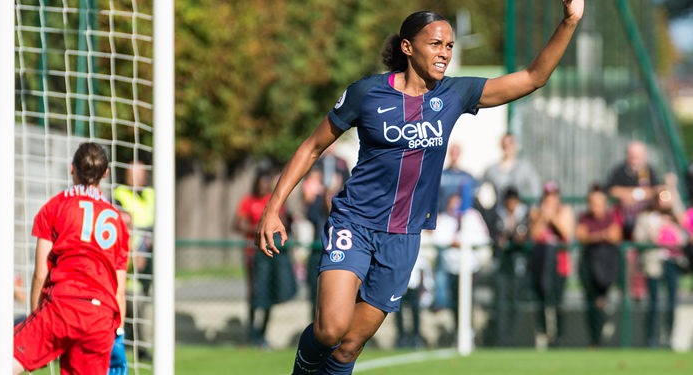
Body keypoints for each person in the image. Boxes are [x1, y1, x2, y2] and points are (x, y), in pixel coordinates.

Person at [254, 3, 584, 373]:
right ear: (408, 47)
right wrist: (273, 207)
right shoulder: (367, 94)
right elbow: (312, 146)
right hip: (355, 222)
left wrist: (569, 21)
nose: (444, 52)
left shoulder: (455, 95)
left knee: (349, 346)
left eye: (449, 46)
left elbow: (532, 78)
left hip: (404, 234)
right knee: (331, 329)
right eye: (436, 44)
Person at [0, 143, 130, 374]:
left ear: (72, 168)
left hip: (62, 307)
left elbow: (41, 273)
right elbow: (119, 290)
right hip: (100, 318)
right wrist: (117, 333)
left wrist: (35, 315)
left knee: (1, 364)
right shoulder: (119, 222)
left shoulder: (55, 207)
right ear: (106, 173)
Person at [234, 170, 298, 348]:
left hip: (272, 253)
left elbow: (284, 223)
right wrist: (259, 228)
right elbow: (237, 224)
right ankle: (251, 334)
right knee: (256, 293)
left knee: (270, 292)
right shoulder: (248, 201)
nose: (263, 187)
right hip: (253, 254)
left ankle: (262, 334)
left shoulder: (274, 202)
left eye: (266, 183)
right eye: (261, 183)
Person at [606, 141, 664, 301]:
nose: (634, 159)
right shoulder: (620, 171)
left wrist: (637, 194)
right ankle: (625, 290)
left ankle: (642, 291)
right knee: (626, 258)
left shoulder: (649, 171)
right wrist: (628, 194)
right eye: (631, 155)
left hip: (643, 226)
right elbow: (611, 189)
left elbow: (657, 190)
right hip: (624, 225)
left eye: (637, 156)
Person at [431, 193, 491, 343]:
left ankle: (468, 332)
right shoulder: (444, 219)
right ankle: (458, 331)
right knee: (454, 302)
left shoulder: (472, 216)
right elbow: (438, 238)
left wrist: (462, 242)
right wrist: (452, 242)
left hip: (469, 268)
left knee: (468, 301)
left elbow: (483, 238)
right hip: (451, 268)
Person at [633, 188, 687, 348]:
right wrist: (655, 230)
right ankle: (651, 338)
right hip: (653, 262)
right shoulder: (646, 217)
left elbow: (684, 235)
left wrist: (672, 224)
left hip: (671, 261)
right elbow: (638, 237)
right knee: (653, 302)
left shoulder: (674, 217)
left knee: (672, 301)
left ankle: (669, 337)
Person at [302, 144, 351, 315]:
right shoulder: (316, 163)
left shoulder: (341, 164)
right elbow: (309, 202)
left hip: (338, 237)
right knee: (314, 286)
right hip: (318, 235)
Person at [114, 158, 154, 361]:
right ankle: (133, 346)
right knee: (130, 302)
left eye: (139, 173)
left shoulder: (151, 195)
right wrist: (135, 250)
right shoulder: (118, 194)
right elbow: (123, 224)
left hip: (150, 260)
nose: (135, 178)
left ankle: (140, 346)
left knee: (144, 303)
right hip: (128, 261)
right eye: (132, 173)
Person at [528, 181, 574, 349]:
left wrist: (552, 217)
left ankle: (559, 337)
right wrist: (542, 217)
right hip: (540, 264)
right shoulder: (536, 213)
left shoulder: (565, 211)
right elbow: (534, 235)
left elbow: (566, 233)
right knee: (541, 300)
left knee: (558, 300)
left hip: (559, 265)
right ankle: (543, 334)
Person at [576, 184, 623, 347]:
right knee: (591, 304)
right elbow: (581, 235)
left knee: (603, 304)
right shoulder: (584, 217)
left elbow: (615, 235)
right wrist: (602, 235)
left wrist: (593, 236)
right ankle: (594, 341)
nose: (595, 207)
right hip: (590, 266)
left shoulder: (612, 216)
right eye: (592, 203)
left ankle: (602, 337)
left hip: (607, 266)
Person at [492, 186, 530, 347]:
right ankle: (502, 338)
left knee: (514, 301)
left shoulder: (524, 214)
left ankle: (512, 338)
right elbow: (499, 238)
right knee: (501, 302)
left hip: (517, 262)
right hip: (502, 263)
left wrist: (510, 234)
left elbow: (520, 238)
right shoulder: (499, 214)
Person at [482, 133, 541, 208]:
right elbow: (482, 190)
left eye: (510, 143)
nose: (507, 146)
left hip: (520, 213)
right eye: (504, 144)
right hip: (498, 213)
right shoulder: (491, 170)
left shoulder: (525, 168)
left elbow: (535, 190)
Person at [438, 143, 477, 215]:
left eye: (456, 153)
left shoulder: (467, 176)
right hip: (444, 215)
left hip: (462, 216)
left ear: (460, 154)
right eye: (452, 153)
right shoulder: (440, 175)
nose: (454, 156)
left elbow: (471, 197)